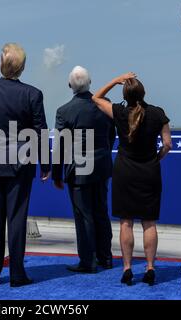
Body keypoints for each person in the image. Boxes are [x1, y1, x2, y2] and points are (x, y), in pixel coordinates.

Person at [0, 43, 50, 287]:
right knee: (17, 218)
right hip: (20, 163)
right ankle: (16, 273)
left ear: (1, 63)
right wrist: (45, 164)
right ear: (22, 66)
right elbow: (40, 131)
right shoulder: (32, 94)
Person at [92, 73, 172, 286]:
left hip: (124, 172)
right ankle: (150, 267)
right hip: (149, 172)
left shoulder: (119, 111)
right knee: (149, 222)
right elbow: (167, 144)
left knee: (126, 222)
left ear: (125, 94)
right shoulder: (158, 113)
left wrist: (114, 80)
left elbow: (96, 98)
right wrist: (157, 158)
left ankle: (127, 268)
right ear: (143, 93)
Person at [52, 66, 115, 274]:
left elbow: (60, 146)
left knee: (83, 215)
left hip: (78, 170)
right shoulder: (106, 106)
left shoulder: (64, 111)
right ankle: (106, 257)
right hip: (102, 166)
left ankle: (88, 261)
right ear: (91, 83)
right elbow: (111, 136)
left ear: (70, 85)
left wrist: (56, 173)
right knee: (101, 212)